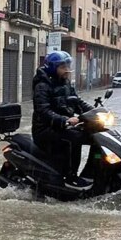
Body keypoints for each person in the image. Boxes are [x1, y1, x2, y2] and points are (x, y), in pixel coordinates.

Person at [31, 51, 94, 189]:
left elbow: (77, 102)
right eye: (63, 67)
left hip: (62, 126)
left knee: (93, 136)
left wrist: (95, 111)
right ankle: (70, 177)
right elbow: (43, 111)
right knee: (75, 137)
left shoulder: (65, 83)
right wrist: (65, 120)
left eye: (68, 66)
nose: (67, 69)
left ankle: (93, 173)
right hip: (45, 129)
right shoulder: (42, 86)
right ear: (53, 68)